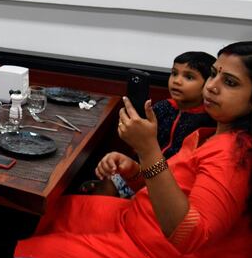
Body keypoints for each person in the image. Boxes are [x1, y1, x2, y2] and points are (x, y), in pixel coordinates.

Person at [15, 41, 252, 258]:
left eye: (230, 83)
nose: (212, 86)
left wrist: (147, 150)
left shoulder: (235, 157)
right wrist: (136, 173)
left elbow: (190, 235)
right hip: (142, 228)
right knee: (56, 212)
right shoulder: (215, 134)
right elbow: (177, 188)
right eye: (215, 73)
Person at [83, 51, 216, 197]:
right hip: (142, 167)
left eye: (189, 77)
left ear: (208, 84)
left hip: (170, 181)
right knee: (110, 179)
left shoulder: (207, 120)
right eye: (174, 73)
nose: (177, 81)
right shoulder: (163, 107)